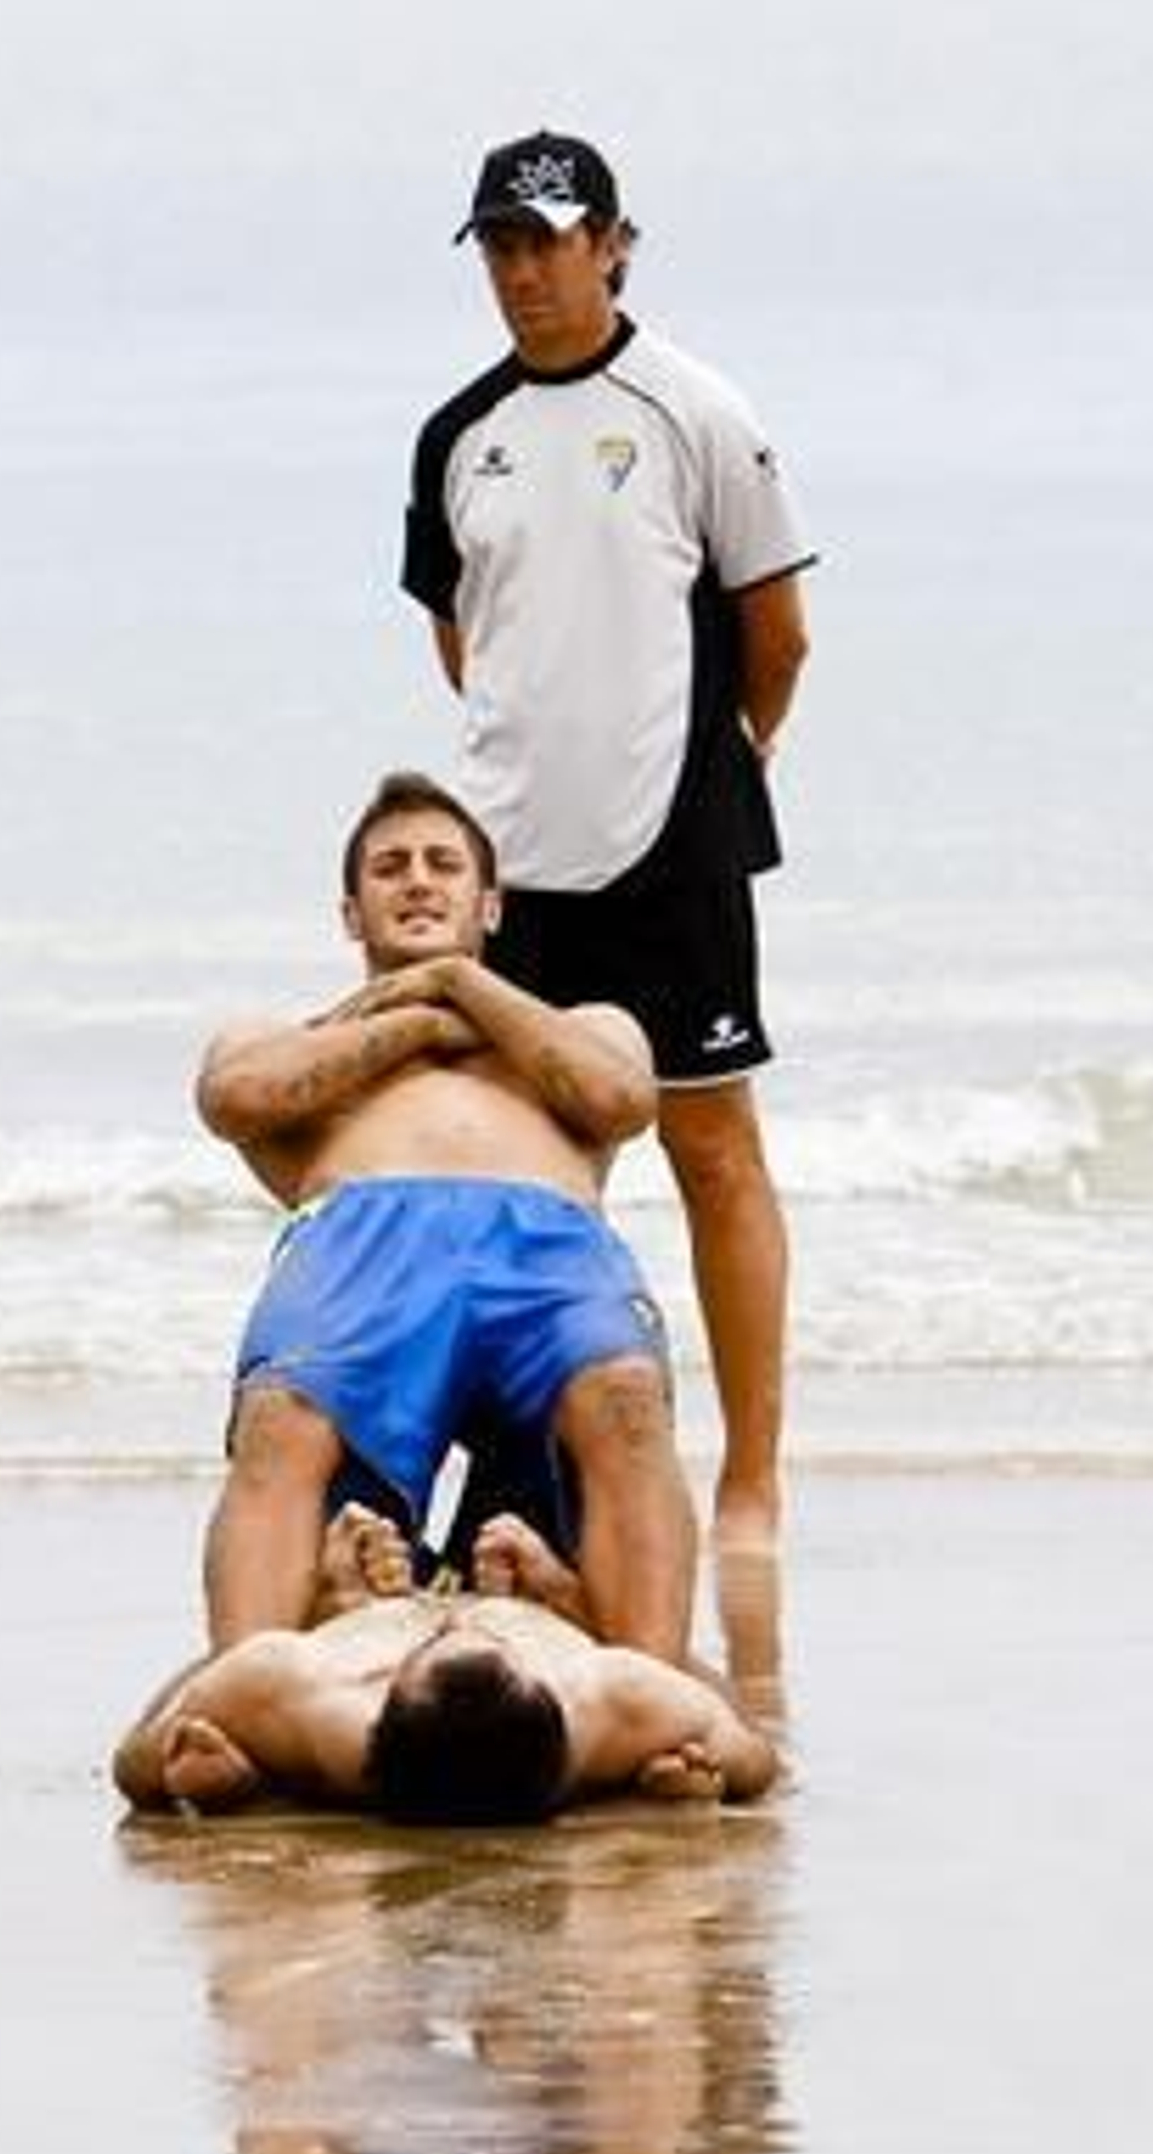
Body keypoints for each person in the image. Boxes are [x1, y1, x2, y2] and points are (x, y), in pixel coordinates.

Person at [402, 129, 816, 1553]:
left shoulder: (697, 409)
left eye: (550, 239)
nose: (526, 270)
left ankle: (752, 1476)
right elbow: (471, 646)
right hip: (516, 863)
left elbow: (780, 635)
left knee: (713, 1149)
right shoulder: (460, 433)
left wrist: (713, 771)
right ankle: (528, 1483)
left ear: (615, 243)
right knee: (525, 1172)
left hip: (675, 849)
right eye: (503, 246)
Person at [195, 771, 697, 1661]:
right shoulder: (285, 1039)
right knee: (282, 1417)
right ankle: (249, 1690)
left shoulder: (587, 1025)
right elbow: (234, 1095)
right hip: (362, 1251)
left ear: (491, 903)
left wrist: (461, 985)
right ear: (351, 913)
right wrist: (422, 1019)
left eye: (444, 864)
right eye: (389, 867)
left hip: (547, 1253)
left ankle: (649, 1687)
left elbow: (622, 1098)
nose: (418, 880)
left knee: (625, 1398)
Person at [113, 1507, 779, 1821]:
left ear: (381, 1694)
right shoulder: (612, 1695)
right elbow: (757, 1755)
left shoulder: (308, 1696)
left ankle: (263, 1786)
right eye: (484, 1635)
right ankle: (632, 1798)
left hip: (357, 1612)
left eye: (435, 1641)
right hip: (540, 1587)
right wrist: (571, 1604)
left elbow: (134, 1758)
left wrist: (313, 1610)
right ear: (552, 1692)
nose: (458, 1619)